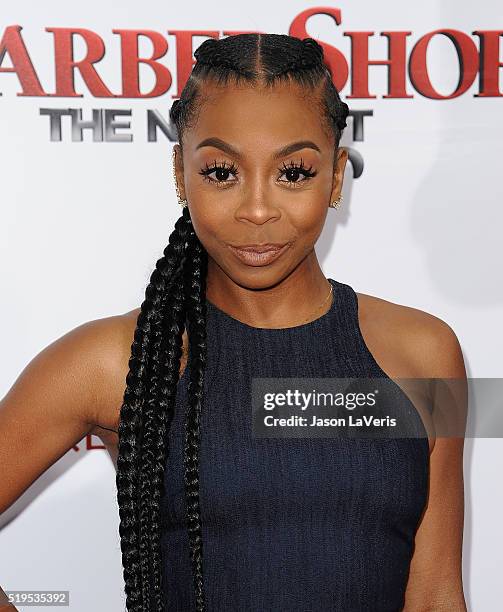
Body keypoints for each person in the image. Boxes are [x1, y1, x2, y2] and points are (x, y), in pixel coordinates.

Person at [0, 33, 466, 612]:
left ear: (337, 174)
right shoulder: (116, 359)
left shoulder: (424, 353)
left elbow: (437, 594)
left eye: (293, 172)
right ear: (181, 172)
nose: (257, 208)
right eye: (222, 172)